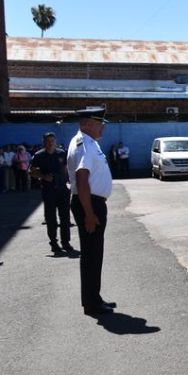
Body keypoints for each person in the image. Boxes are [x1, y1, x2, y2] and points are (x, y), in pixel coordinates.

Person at [67, 107, 116, 316]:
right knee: (92, 255)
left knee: (94, 254)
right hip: (90, 204)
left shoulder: (88, 142)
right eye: (99, 123)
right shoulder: (84, 144)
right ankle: (91, 303)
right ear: (87, 123)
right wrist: (88, 213)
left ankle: (93, 297)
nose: (102, 126)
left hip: (92, 202)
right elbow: (82, 178)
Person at [29, 132, 74, 254]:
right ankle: (54, 243)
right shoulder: (39, 155)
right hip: (48, 189)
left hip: (62, 188)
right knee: (51, 218)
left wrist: (70, 183)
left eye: (52, 141)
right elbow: (31, 171)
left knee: (65, 217)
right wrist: (43, 176)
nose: (50, 144)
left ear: (55, 142)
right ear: (44, 142)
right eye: (48, 141)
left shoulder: (62, 153)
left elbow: (68, 169)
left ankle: (66, 242)